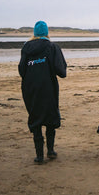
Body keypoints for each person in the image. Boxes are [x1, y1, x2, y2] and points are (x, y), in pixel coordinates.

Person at [18, 21, 67, 164]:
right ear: (47, 33)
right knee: (50, 118)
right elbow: (61, 71)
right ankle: (50, 151)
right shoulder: (52, 47)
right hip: (48, 88)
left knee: (35, 118)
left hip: (30, 89)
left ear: (34, 33)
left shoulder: (26, 47)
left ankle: (40, 156)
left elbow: (22, 70)